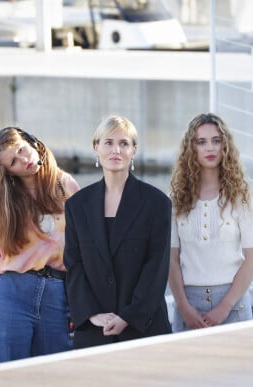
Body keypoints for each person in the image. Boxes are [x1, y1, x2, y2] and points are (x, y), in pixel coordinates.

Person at [0, 126, 80, 365]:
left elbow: (83, 252)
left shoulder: (65, 186)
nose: (24, 160)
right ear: (7, 172)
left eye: (22, 150)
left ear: (32, 143)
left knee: (54, 375)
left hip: (58, 295)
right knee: (8, 377)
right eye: (14, 161)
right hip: (10, 295)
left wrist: (81, 304)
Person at [63, 115, 172, 349]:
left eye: (124, 143)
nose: (116, 150)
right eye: (108, 142)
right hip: (95, 330)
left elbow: (157, 267)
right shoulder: (76, 205)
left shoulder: (157, 203)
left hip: (144, 328)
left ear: (134, 150)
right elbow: (74, 265)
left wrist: (128, 316)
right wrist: (91, 315)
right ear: (96, 148)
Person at [169, 113, 253, 332]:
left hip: (234, 306)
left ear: (224, 146)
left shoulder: (241, 195)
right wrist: (183, 306)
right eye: (201, 142)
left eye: (216, 141)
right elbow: (171, 259)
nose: (209, 148)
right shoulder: (176, 198)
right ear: (192, 148)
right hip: (188, 307)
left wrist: (225, 306)